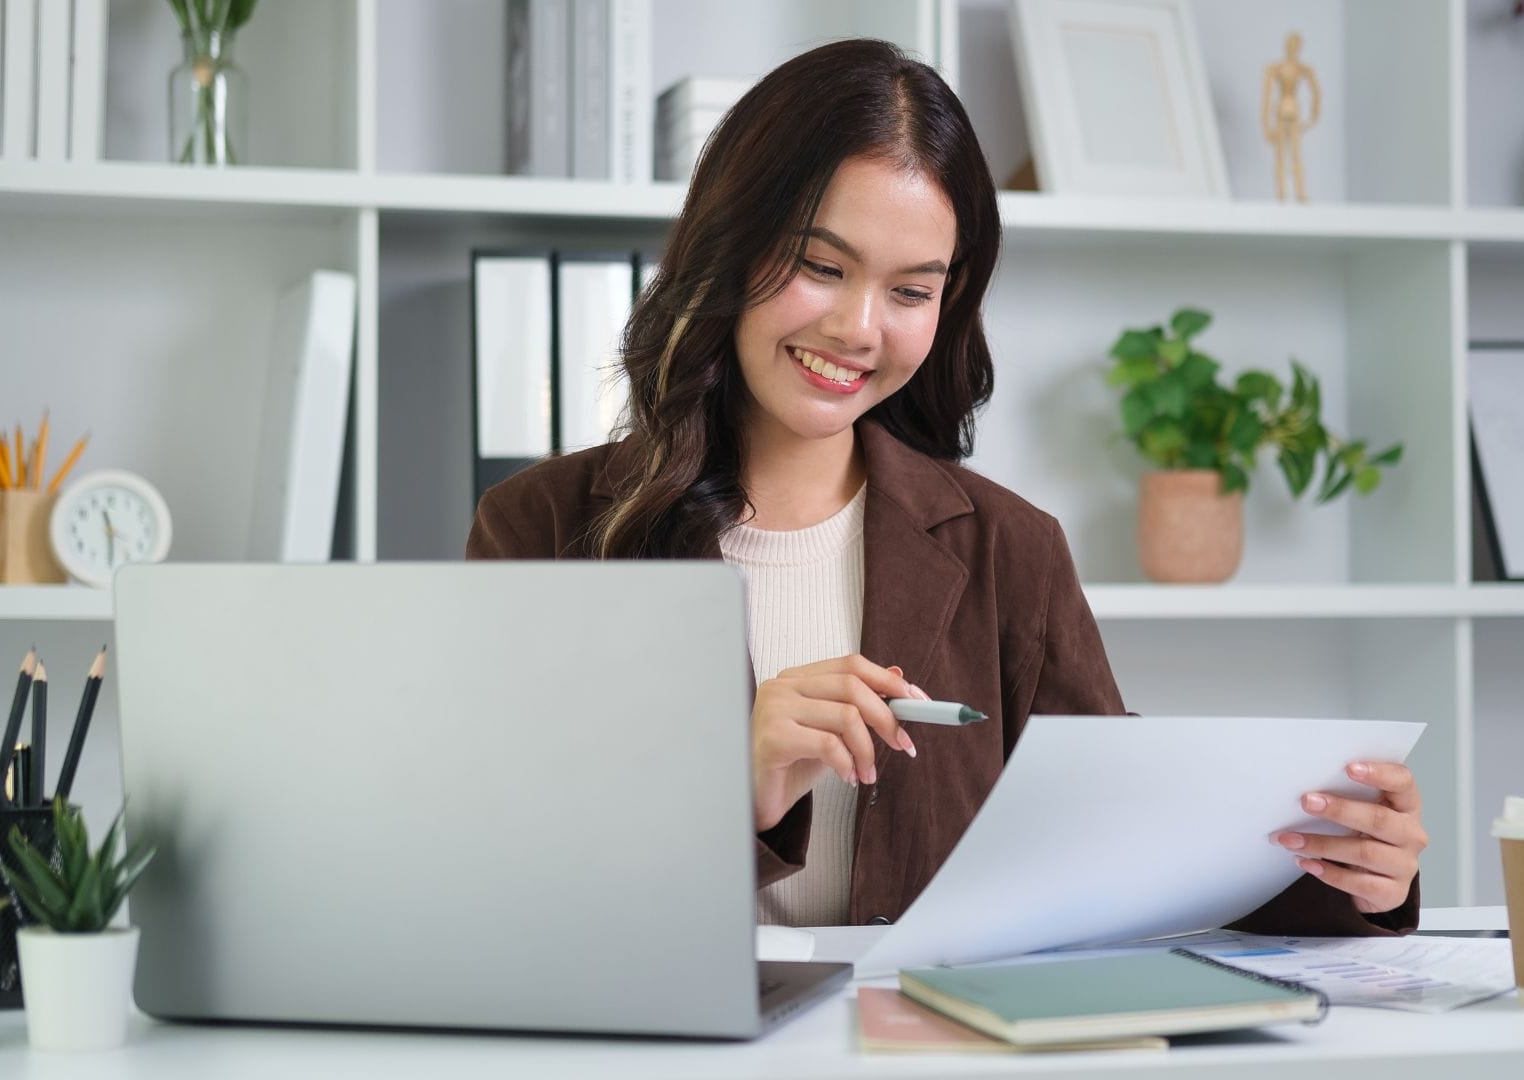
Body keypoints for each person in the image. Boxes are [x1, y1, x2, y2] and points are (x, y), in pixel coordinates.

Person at [467, 39, 1425, 932]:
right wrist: (733, 785)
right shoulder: (542, 527)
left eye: (911, 290)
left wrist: (1357, 872)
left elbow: (1133, 846)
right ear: (731, 246)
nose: (859, 328)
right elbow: (491, 878)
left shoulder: (1010, 549)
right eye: (820, 264)